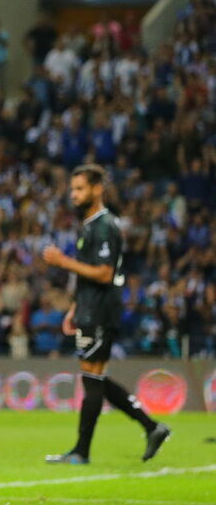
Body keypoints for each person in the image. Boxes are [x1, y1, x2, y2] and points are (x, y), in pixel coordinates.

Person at [42, 164, 170, 465]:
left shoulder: (104, 226)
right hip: (90, 308)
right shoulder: (89, 226)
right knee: (96, 378)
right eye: (72, 189)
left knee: (91, 378)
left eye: (80, 189)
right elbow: (90, 277)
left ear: (97, 189)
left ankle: (81, 452)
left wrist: (63, 261)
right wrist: (76, 306)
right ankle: (153, 427)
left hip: (101, 311)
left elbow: (103, 272)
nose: (73, 195)